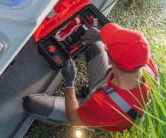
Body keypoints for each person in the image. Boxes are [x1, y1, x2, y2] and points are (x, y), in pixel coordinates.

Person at [23, 23, 158, 131]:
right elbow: (124, 45)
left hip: (96, 110)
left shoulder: (108, 106)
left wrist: (69, 82)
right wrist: (100, 36)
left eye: (107, 50)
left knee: (31, 103)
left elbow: (75, 120)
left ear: (110, 61)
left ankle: (67, 115)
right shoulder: (143, 57)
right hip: (107, 80)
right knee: (92, 40)